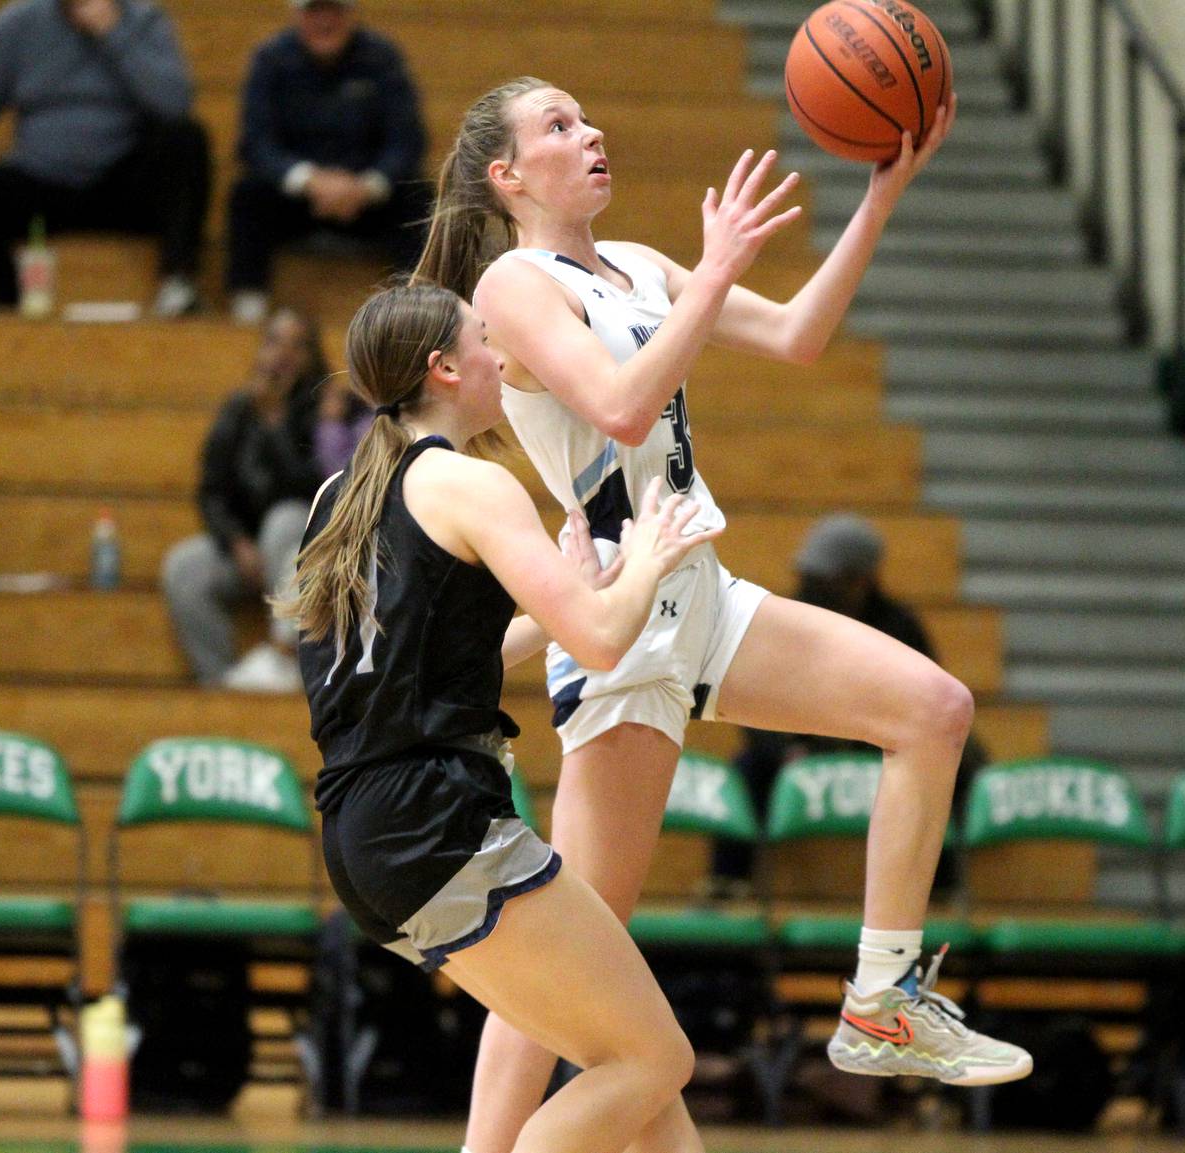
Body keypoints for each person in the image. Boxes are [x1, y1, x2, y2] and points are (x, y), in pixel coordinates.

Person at [413, 78, 1031, 1153]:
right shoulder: (515, 283)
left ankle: (882, 1000)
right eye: (559, 125)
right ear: (508, 176)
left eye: (586, 115)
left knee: (933, 708)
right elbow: (619, 406)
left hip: (702, 588)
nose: (592, 129)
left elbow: (796, 335)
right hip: (620, 612)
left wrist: (882, 194)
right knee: (568, 961)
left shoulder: (642, 265)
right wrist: (716, 277)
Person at [280, 280, 721, 1153]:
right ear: (446, 367)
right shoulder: (472, 484)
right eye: (485, 340)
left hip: (366, 835)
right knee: (653, 1058)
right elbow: (600, 642)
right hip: (438, 821)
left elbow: (435, 666)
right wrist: (645, 559)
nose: (501, 355)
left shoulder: (341, 494)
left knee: (624, 1064)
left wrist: (586, 591)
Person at [712, 513, 988, 892]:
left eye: (828, 579)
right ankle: (730, 881)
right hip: (804, 744)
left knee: (951, 769)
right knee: (747, 769)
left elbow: (928, 702)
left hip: (876, 743)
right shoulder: (790, 616)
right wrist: (787, 749)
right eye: (812, 577)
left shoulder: (900, 625)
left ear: (862, 578)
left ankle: (937, 886)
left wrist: (890, 743)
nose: (815, 586)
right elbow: (751, 694)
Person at [0, 0, 210, 317]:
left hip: (121, 188)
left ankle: (177, 285)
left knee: (186, 138)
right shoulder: (17, 23)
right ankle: (1, 311)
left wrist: (113, 33)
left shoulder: (145, 19)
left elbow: (175, 104)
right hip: (39, 183)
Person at [226, 0, 430, 325]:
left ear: (351, 14)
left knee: (419, 196)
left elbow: (406, 141)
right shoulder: (271, 59)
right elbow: (256, 144)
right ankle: (247, 304)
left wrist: (367, 186)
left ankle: (418, 306)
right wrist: (307, 180)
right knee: (248, 194)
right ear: (296, 15)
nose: (324, 22)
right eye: (313, 12)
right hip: (295, 197)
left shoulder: (382, 58)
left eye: (333, 11)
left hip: (367, 198)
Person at [162, 307, 329, 691]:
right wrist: (235, 542)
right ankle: (220, 687)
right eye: (274, 342)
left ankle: (286, 653)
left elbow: (314, 486)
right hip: (248, 549)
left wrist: (275, 426)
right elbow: (211, 491)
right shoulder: (238, 409)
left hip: (305, 553)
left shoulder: (324, 408)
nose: (282, 355)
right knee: (183, 568)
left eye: (296, 346)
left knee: (283, 521)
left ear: (311, 357)